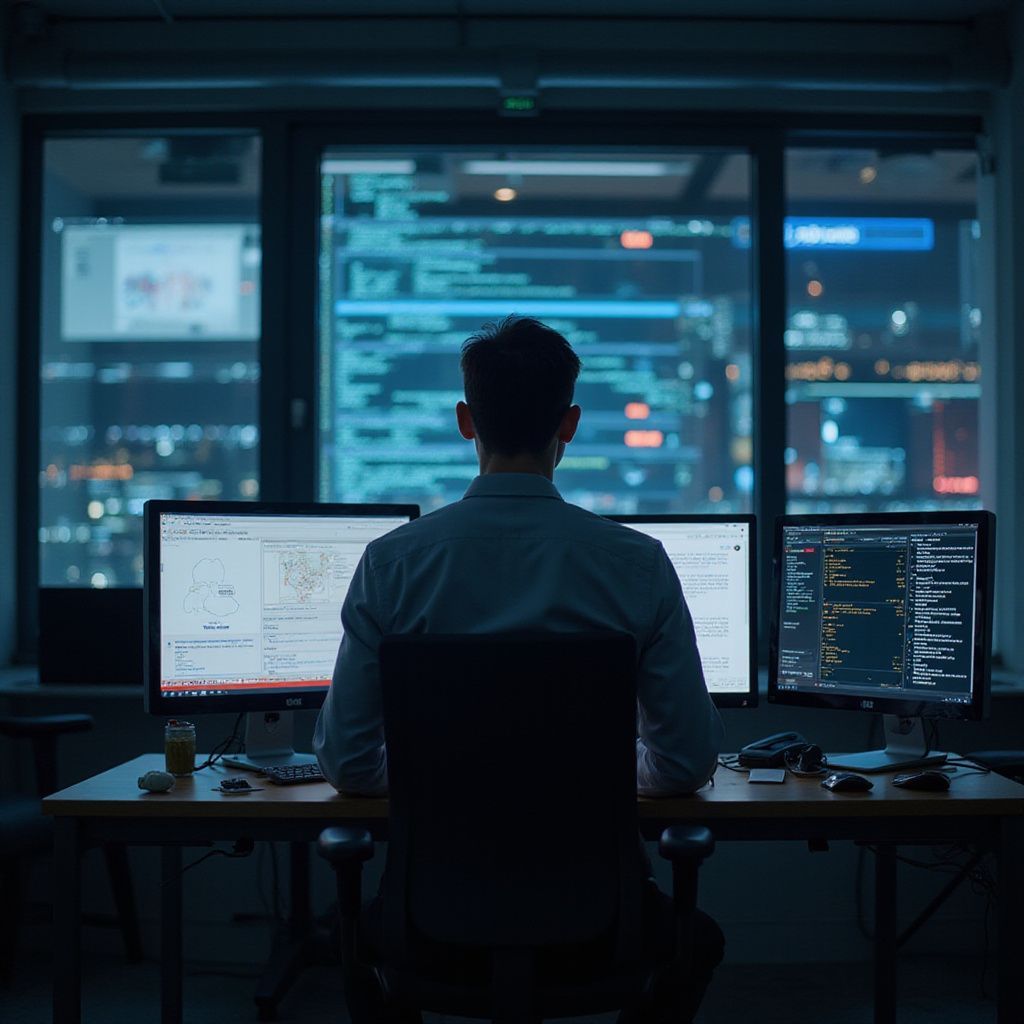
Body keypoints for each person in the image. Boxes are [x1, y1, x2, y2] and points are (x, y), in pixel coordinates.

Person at [314, 315, 725, 1022]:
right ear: (569, 424)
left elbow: (349, 764)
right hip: (603, 930)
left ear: (465, 421)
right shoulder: (637, 566)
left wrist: (440, 772)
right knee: (700, 940)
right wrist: (586, 772)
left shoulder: (392, 565)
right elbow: (685, 763)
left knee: (346, 940)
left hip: (428, 928)